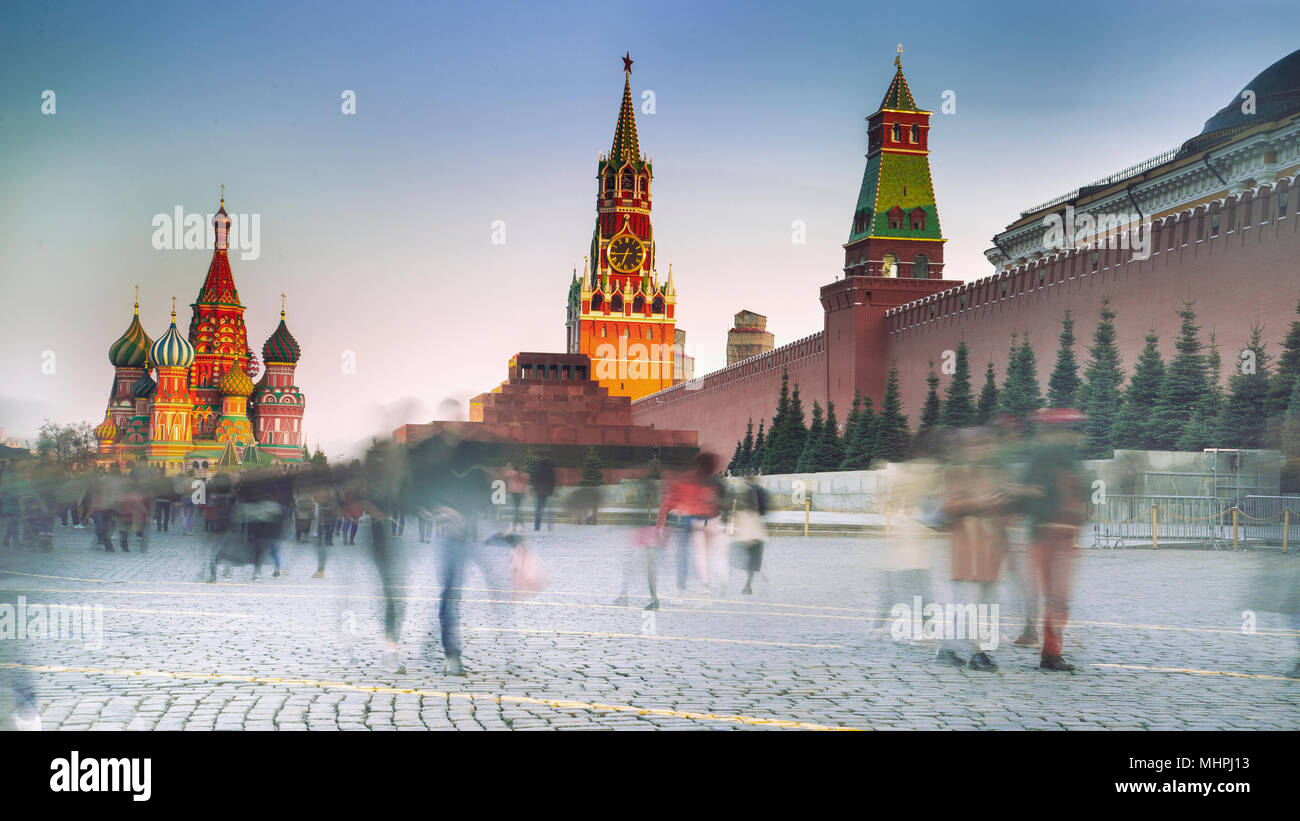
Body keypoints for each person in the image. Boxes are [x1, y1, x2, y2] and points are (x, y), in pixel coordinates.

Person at [1021, 408, 1089, 672]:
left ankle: (1052, 651)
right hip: (1046, 536)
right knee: (1054, 596)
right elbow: (1028, 496)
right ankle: (1050, 653)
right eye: (1065, 431)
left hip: (1065, 536)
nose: (1071, 437)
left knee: (1059, 598)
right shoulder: (1042, 461)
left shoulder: (1068, 460)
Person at [657, 452, 726, 603]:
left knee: (682, 556)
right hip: (701, 519)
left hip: (685, 519)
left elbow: (668, 503)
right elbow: (711, 500)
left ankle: (681, 593)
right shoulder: (702, 479)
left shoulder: (681, 480)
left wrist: (660, 524)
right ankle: (704, 588)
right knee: (701, 555)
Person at [731, 476, 769, 596]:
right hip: (755, 526)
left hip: (748, 528)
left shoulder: (744, 491)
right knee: (754, 556)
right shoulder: (760, 491)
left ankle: (749, 582)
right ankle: (749, 582)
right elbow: (764, 510)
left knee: (749, 555)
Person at [530, 456, 556, 531]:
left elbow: (534, 480)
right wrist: (551, 490)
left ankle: (537, 527)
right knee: (550, 510)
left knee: (538, 510)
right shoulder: (550, 469)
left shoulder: (537, 469)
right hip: (548, 492)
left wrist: (535, 489)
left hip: (539, 492)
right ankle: (550, 527)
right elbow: (553, 480)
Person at [503, 463, 527, 532]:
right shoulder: (522, 473)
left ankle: (515, 525)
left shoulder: (511, 472)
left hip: (513, 492)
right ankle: (519, 524)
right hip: (520, 492)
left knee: (516, 509)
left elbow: (505, 475)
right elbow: (525, 480)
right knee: (517, 508)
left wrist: (507, 467)